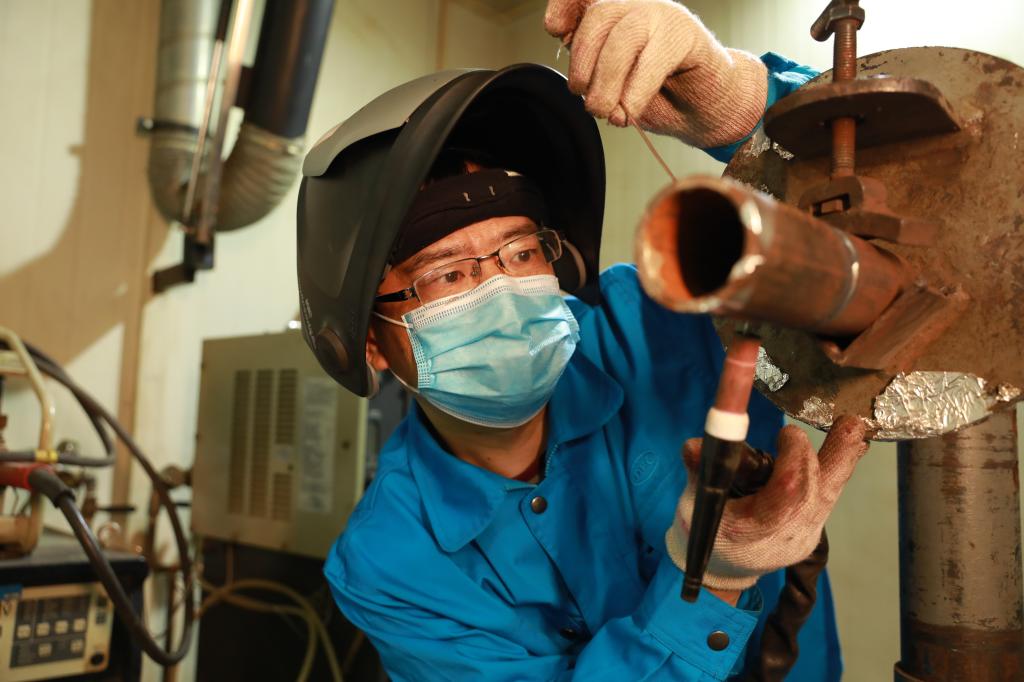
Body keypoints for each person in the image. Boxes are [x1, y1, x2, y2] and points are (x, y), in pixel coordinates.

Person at [296, 1, 867, 679]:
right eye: (447, 274)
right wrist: (710, 583)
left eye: (521, 253)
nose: (503, 289)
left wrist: (738, 102)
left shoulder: (659, 321)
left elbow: (902, 210)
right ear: (369, 341)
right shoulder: (388, 567)